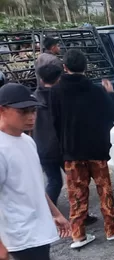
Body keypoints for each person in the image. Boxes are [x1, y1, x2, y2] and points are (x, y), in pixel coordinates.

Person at [0, 83, 114, 260]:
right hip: (20, 232)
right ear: (3, 111)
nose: (31, 117)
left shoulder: (26, 140)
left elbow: (32, 185)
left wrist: (54, 211)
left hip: (35, 225)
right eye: (23, 111)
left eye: (33, 110)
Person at [49, 49, 114, 249]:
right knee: (104, 190)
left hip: (72, 152)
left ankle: (78, 235)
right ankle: (111, 230)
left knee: (76, 194)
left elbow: (54, 123)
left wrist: (63, 146)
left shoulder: (55, 92)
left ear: (65, 68)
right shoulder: (97, 91)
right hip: (96, 150)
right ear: (85, 68)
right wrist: (112, 94)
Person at [33, 63, 64, 206]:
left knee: (54, 181)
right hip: (61, 147)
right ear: (58, 79)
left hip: (42, 148)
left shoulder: (34, 98)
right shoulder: (60, 97)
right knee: (74, 180)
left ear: (41, 79)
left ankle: (49, 212)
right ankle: (81, 215)